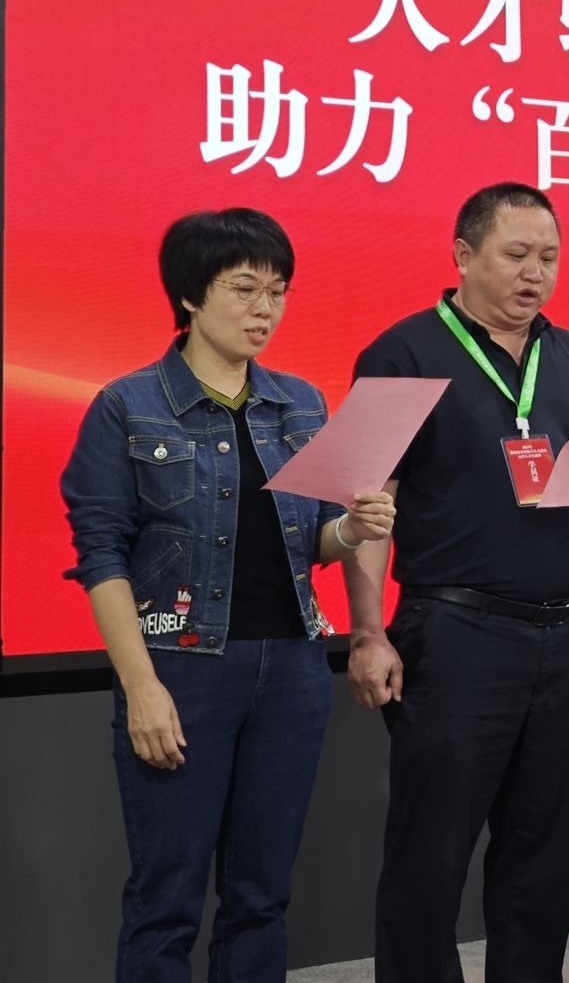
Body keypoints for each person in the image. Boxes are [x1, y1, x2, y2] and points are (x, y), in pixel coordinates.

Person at [61, 208, 395, 983]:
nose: (263, 309)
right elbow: (102, 555)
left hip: (291, 670)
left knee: (261, 895)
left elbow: (308, 543)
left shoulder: (300, 403)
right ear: (190, 295)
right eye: (244, 289)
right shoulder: (129, 405)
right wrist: (141, 686)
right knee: (166, 897)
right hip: (182, 668)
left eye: (277, 292)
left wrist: (352, 529)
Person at [345, 183, 569, 983]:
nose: (536, 274)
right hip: (459, 637)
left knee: (546, 859)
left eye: (550, 258)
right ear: (464, 255)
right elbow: (368, 503)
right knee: (429, 859)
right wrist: (368, 631)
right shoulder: (401, 354)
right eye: (517, 255)